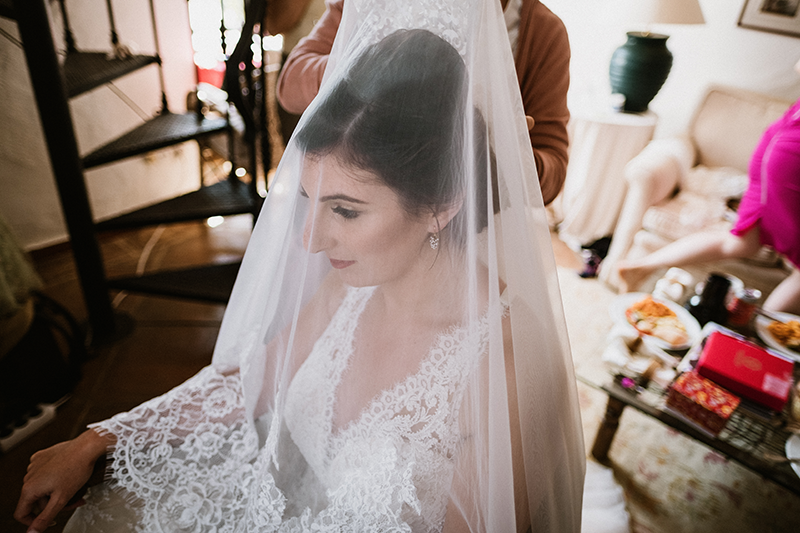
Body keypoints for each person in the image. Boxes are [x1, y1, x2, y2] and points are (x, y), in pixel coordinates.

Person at [15, 1, 585, 531]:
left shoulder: (511, 369)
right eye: (310, 200)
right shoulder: (353, 286)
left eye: (346, 210)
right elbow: (253, 383)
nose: (311, 241)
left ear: (441, 206)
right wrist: (98, 437)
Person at [275, 0, 571, 206]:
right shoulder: (369, 4)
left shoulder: (542, 31)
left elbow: (551, 176)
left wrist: (508, 144)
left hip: (464, 237)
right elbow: (290, 84)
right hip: (356, 213)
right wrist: (372, 62)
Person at [616, 60, 800, 314]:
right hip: (791, 149)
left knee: (739, 242)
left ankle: (641, 266)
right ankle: (765, 339)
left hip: (781, 137)